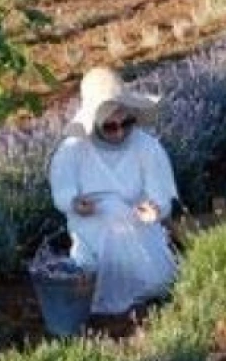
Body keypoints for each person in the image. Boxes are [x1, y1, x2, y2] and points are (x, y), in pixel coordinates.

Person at [47, 67, 179, 316]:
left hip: (138, 224)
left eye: (126, 123)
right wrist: (75, 203)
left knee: (159, 281)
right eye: (109, 126)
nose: (119, 132)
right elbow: (62, 193)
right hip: (93, 226)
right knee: (107, 227)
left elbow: (161, 195)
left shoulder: (147, 147)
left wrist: (156, 208)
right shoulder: (73, 150)